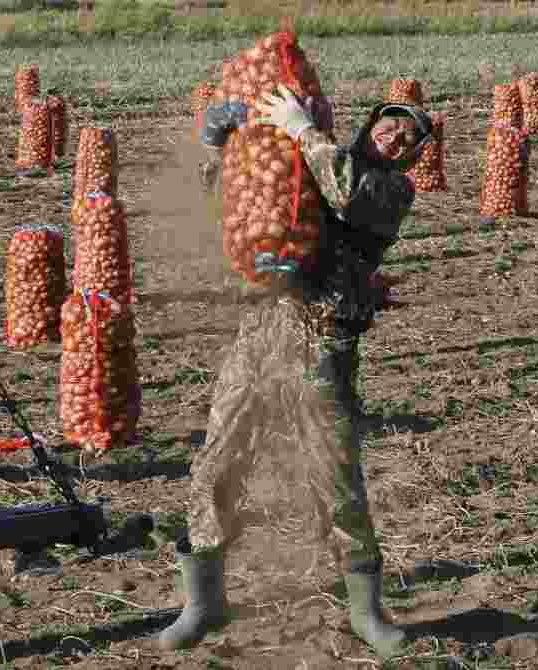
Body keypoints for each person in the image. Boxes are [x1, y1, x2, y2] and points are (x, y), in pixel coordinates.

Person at [158, 83, 432, 656]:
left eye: (408, 136)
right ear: (369, 125)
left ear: (413, 157)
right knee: (217, 463)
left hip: (321, 342)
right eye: (389, 123)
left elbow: (347, 196)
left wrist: (302, 128)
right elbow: (235, 197)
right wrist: (221, 145)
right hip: (259, 333)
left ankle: (367, 611)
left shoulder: (389, 189)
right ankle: (203, 603)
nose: (395, 135)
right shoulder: (309, 161)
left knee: (335, 477)